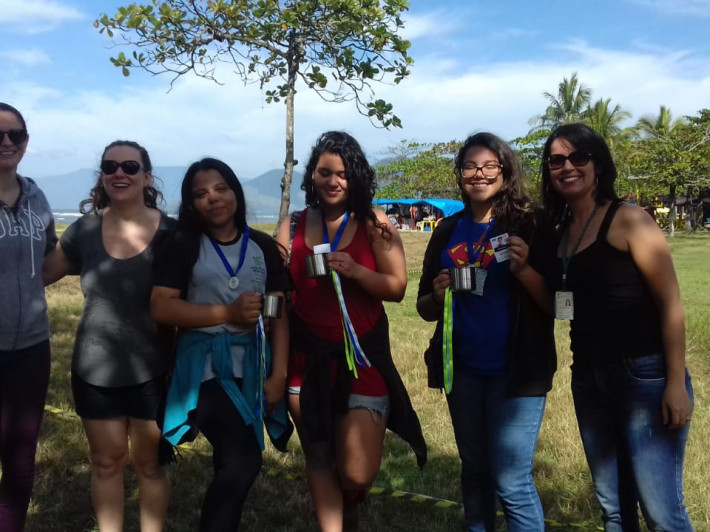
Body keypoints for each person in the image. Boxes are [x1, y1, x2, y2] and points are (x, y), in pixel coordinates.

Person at [537, 123, 694, 531]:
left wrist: (675, 383)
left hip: (644, 375)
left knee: (661, 513)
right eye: (556, 160)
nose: (567, 166)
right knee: (614, 509)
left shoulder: (629, 220)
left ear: (598, 164)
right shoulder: (560, 235)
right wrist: (521, 270)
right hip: (588, 377)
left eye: (578, 157)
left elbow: (671, 303)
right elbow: (559, 306)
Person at [275, 131, 427, 532]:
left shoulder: (375, 222)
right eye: (324, 172)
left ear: (356, 177)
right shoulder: (291, 227)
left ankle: (351, 507)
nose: (332, 181)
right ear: (311, 176)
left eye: (342, 173)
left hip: (362, 359)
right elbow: (279, 295)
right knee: (319, 457)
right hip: (305, 361)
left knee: (356, 475)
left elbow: (396, 289)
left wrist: (356, 271)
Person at [416, 132, 556, 532]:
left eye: (489, 165)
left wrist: (525, 270)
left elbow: (558, 305)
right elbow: (424, 309)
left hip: (516, 373)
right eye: (470, 166)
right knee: (474, 470)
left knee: (511, 481)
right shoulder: (447, 230)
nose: (479, 174)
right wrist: (438, 294)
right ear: (460, 174)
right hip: (462, 371)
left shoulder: (531, 224)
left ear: (505, 170)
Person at [151, 157, 291, 531]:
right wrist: (227, 313)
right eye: (201, 193)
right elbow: (161, 306)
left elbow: (278, 314)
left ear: (235, 192)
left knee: (231, 458)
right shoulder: (181, 244)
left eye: (221, 188)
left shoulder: (261, 246)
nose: (213, 198)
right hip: (204, 371)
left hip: (252, 369)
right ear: (191, 203)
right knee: (244, 460)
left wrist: (278, 375)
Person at [43, 140, 173, 532]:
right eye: (110, 165)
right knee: (106, 462)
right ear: (102, 175)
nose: (120, 172)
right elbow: (38, 274)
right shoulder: (84, 230)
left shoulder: (173, 233)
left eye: (130, 166)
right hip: (94, 369)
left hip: (154, 368)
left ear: (146, 176)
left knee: (150, 465)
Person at [0, 103, 57, 531]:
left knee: (20, 458)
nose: (6, 143)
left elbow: (51, 258)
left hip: (32, 347)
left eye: (15, 135)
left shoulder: (37, 197)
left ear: (25, 141)